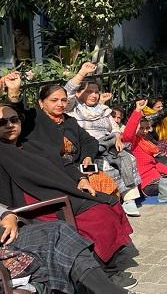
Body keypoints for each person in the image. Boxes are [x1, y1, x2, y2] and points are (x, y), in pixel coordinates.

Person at [0, 104, 137, 289]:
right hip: (35, 206)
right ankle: (99, 274)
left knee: (106, 205)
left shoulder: (32, 145)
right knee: (92, 218)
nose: (9, 125)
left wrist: (80, 179)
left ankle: (105, 269)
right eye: (2, 122)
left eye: (14, 120)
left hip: (59, 193)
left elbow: (62, 163)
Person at [64, 62, 142, 216]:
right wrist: (82, 73)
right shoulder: (74, 108)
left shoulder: (103, 109)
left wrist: (118, 137)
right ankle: (109, 198)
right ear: (80, 94)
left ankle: (129, 199)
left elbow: (113, 127)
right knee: (104, 166)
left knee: (128, 158)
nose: (94, 95)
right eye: (89, 92)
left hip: (109, 143)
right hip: (89, 148)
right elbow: (68, 92)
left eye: (96, 92)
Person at [0, 206, 131, 293]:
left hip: (7, 235)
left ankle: (107, 289)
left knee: (60, 231)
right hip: (5, 252)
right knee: (61, 236)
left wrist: (9, 215)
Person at [123, 99, 167, 196]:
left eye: (146, 128)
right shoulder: (132, 143)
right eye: (141, 128)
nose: (145, 131)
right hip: (147, 185)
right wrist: (137, 111)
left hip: (157, 179)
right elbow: (128, 134)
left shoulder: (145, 142)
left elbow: (154, 163)